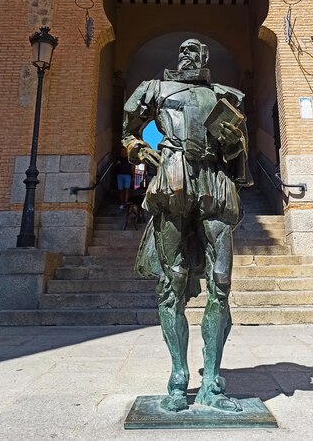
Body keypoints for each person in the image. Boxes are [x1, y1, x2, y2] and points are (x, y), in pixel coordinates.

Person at [122, 39, 252, 413]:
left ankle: (211, 381)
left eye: (195, 49)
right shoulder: (154, 89)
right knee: (171, 282)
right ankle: (179, 378)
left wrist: (233, 145)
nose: (187, 53)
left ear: (206, 58)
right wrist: (137, 149)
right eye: (183, 49)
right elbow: (129, 130)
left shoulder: (225, 96)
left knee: (222, 282)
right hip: (173, 175)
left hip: (214, 181)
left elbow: (237, 152)